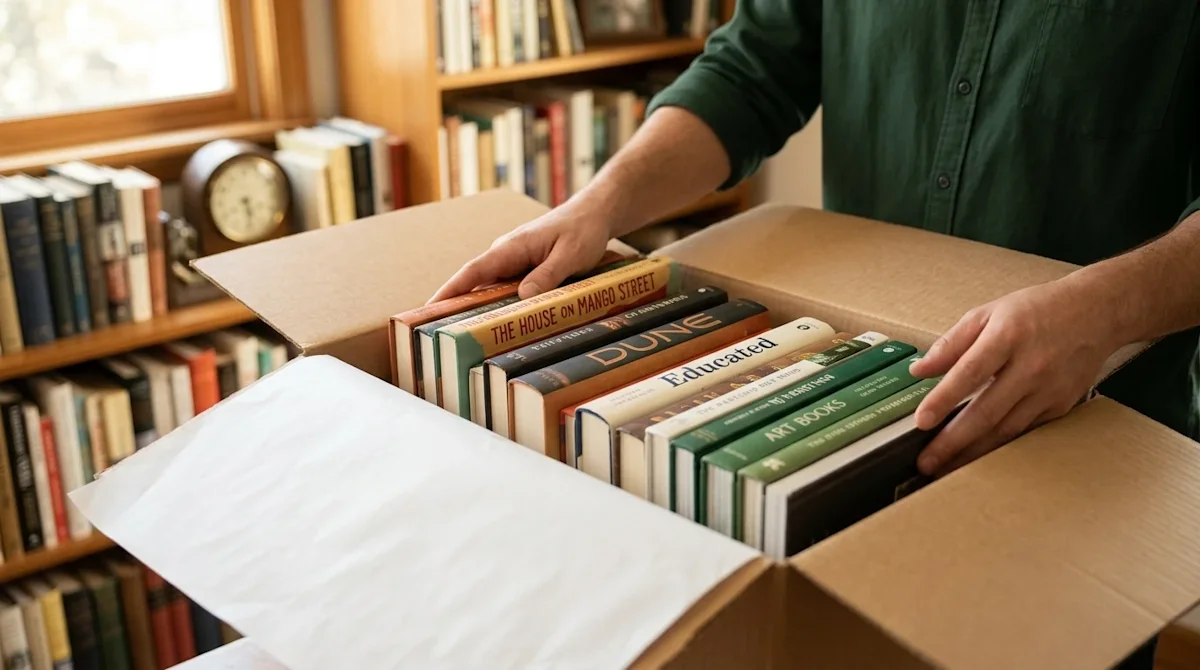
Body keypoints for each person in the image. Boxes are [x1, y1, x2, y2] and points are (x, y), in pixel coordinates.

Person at [432, 5, 1197, 667]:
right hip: (837, 405)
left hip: (1092, 437)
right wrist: (599, 204)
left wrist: (1106, 310)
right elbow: (753, 69)